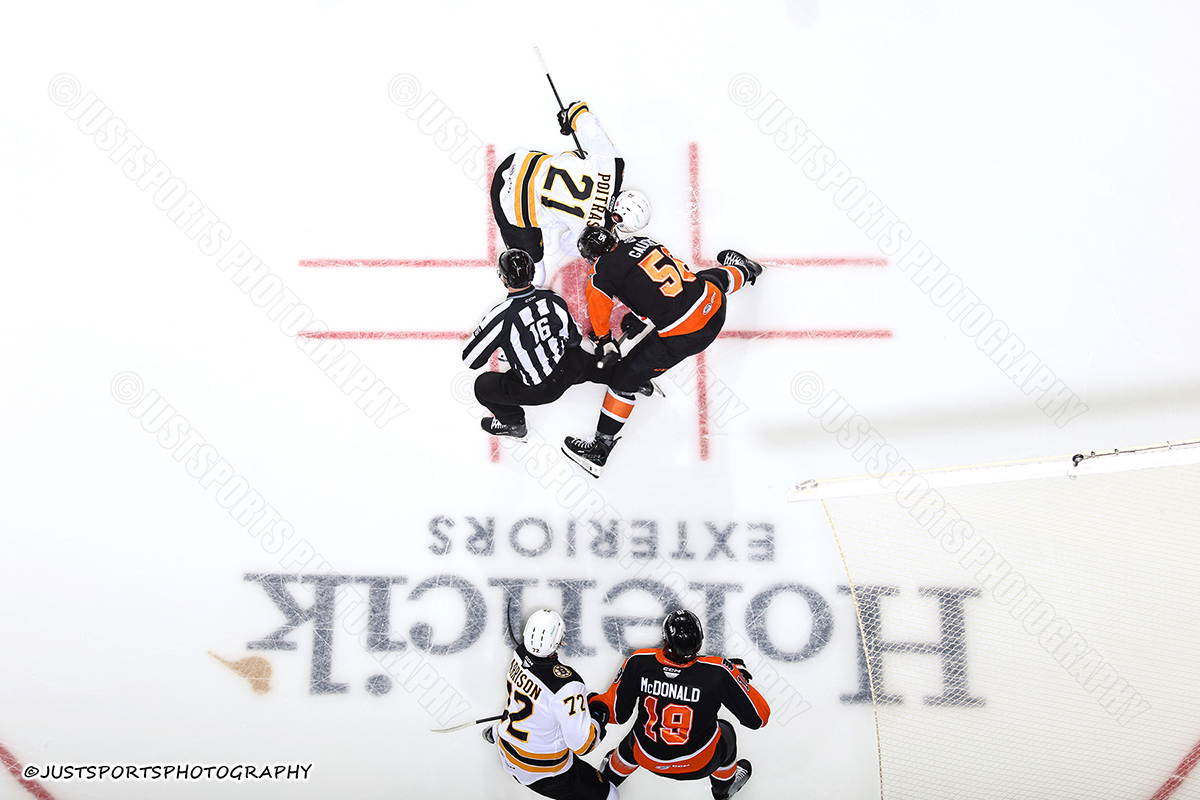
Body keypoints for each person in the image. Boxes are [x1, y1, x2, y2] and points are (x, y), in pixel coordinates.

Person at [561, 226, 764, 476]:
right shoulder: (643, 241)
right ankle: (746, 271)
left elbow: (600, 309)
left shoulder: (600, 273)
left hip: (688, 334)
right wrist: (640, 314)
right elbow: (658, 283)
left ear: (591, 256)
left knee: (622, 379)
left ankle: (600, 448)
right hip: (713, 304)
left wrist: (604, 340)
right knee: (709, 279)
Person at [588, 610, 769, 800]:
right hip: (698, 763)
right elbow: (758, 719)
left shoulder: (639, 661)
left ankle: (608, 780)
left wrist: (591, 701)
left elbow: (616, 713)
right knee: (726, 732)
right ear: (699, 643)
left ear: (665, 640)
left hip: (647, 758)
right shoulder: (719, 671)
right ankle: (723, 791)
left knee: (638, 734)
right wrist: (738, 678)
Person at [491, 99, 652, 287]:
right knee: (534, 278)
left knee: (584, 156)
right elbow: (567, 244)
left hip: (521, 161)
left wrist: (572, 115)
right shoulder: (596, 228)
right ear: (617, 217)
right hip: (508, 199)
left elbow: (590, 128)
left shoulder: (614, 166)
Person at [463, 248, 612, 441]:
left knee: (482, 386)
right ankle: (633, 378)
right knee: (595, 365)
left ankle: (514, 424)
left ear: (503, 279)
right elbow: (574, 340)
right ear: (532, 274)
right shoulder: (553, 299)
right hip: (570, 367)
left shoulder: (501, 316)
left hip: (542, 390)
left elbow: (471, 359)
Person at [483, 609, 618, 800]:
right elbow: (583, 745)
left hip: (508, 750)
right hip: (545, 772)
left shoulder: (519, 654)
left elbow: (540, 691)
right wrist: (597, 716)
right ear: (559, 640)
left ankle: (498, 732)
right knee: (611, 795)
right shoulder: (568, 685)